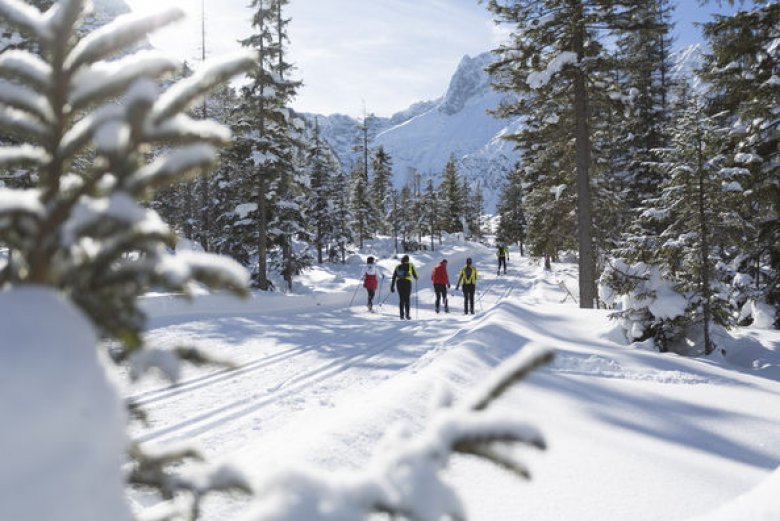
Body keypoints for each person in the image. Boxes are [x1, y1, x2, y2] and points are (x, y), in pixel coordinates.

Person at [390, 254, 418, 320]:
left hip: (399, 282)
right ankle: (407, 315)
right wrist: (416, 277)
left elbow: (394, 277)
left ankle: (401, 315)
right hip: (407, 282)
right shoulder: (410, 265)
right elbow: (415, 276)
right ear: (408, 260)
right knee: (407, 298)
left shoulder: (397, 266)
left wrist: (392, 286)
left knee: (401, 299)